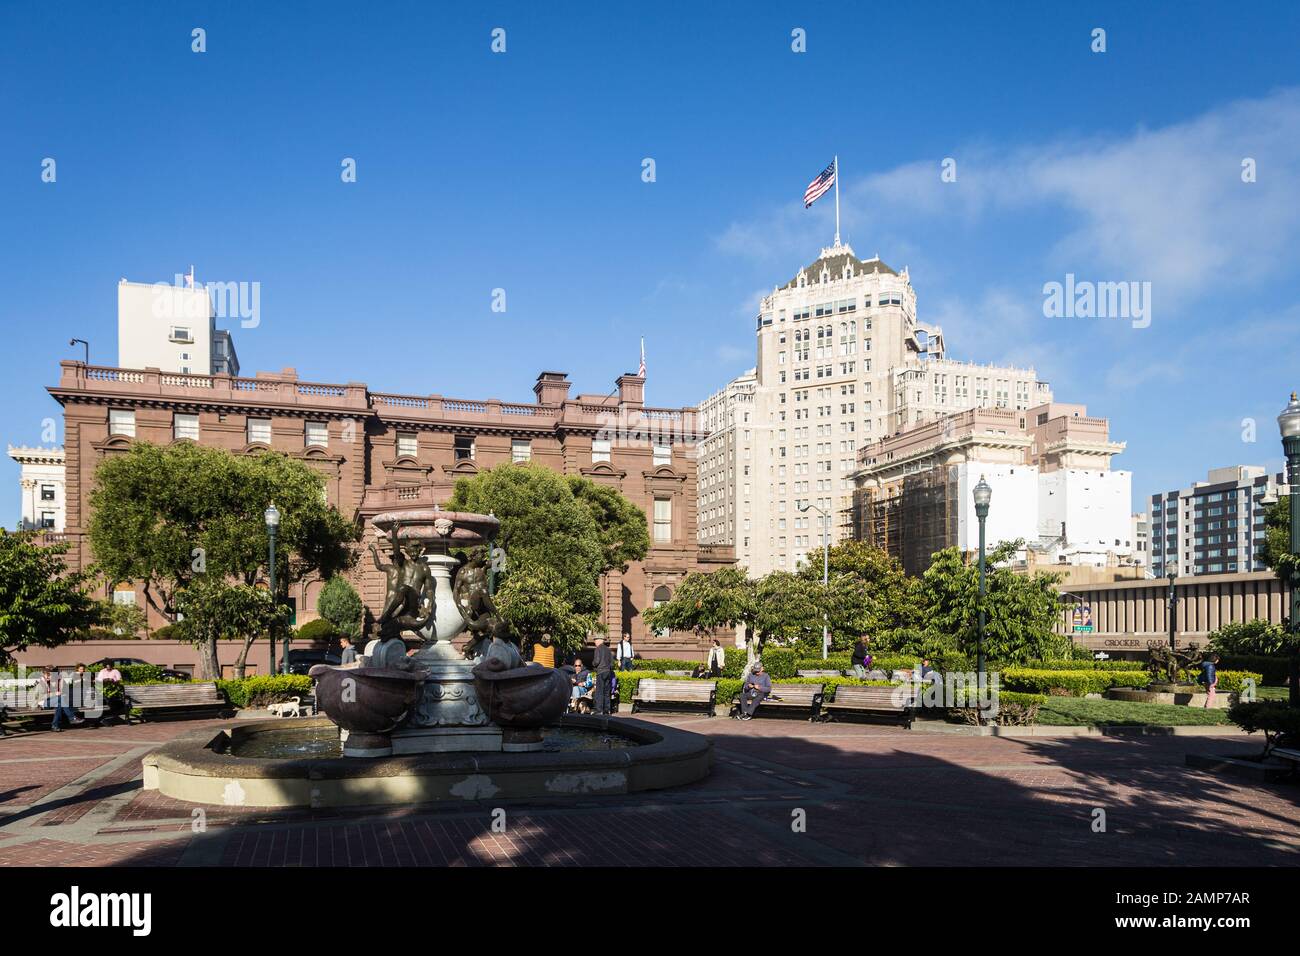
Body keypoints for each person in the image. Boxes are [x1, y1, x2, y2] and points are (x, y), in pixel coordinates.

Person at [37, 667, 82, 732]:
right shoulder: (41, 683)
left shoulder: (50, 681)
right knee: (61, 699)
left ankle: (54, 726)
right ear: (44, 674)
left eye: (50, 675)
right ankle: (72, 717)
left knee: (59, 704)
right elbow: (42, 696)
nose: (50, 677)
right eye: (48, 675)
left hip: (52, 701)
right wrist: (55, 694)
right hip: (43, 703)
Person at [592, 637, 614, 716]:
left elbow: (596, 661)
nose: (594, 642)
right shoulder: (608, 650)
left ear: (599, 640)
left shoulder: (598, 649)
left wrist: (593, 664)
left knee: (599, 692)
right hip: (608, 672)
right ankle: (606, 711)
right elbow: (612, 663)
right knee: (606, 692)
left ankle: (599, 710)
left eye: (595, 640)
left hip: (601, 672)